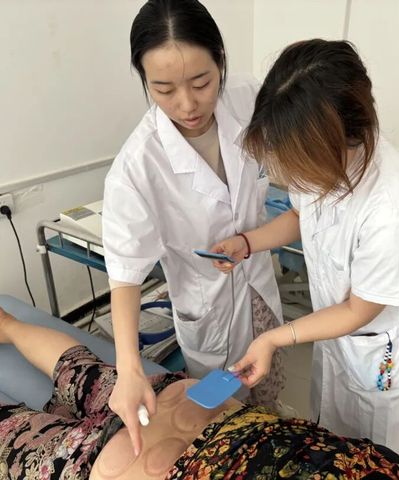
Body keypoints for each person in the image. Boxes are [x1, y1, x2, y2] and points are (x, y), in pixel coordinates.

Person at [210, 39, 399, 461]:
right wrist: (248, 243)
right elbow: (301, 214)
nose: (291, 176)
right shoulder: (321, 159)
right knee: (336, 443)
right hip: (344, 334)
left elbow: (359, 310)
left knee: (377, 459)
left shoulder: (395, 207)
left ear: (337, 141)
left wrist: (274, 338)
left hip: (383, 346)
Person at [101, 0, 287, 456]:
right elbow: (125, 275)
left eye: (202, 82)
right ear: (144, 79)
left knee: (270, 385)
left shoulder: (249, 97)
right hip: (208, 306)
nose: (187, 105)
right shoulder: (137, 166)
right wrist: (129, 368)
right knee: (223, 416)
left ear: (221, 61)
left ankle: (275, 432)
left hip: (258, 281)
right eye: (163, 89)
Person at [0, 306, 399, 480]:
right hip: (105, 461)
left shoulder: (393, 471)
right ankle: (2, 325)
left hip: (192, 406)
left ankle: (3, 324)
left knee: (84, 371)